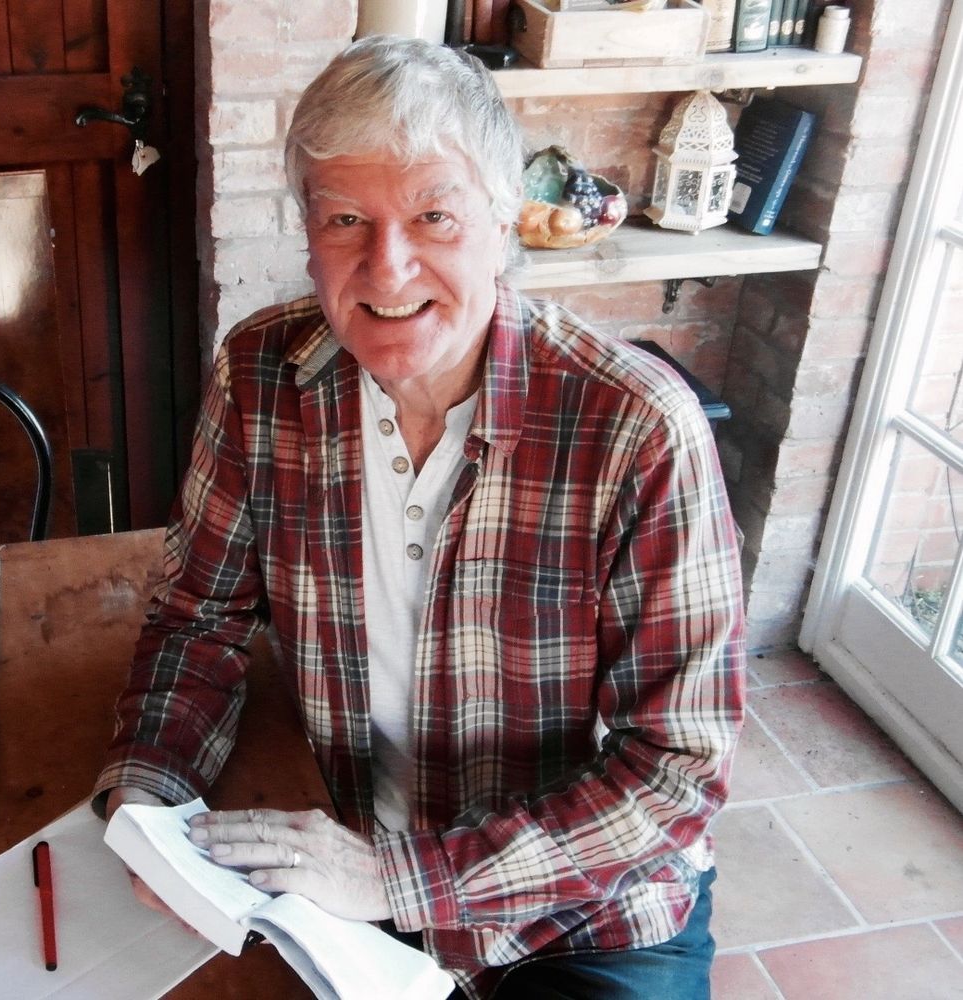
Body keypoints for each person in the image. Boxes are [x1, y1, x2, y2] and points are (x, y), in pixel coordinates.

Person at [93, 35, 745, 1000]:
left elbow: (678, 775)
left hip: (579, 919)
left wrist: (398, 878)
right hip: (343, 872)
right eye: (346, 217)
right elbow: (200, 617)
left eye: (433, 216)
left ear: (502, 220)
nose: (387, 268)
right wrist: (147, 790)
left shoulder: (638, 427)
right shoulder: (264, 373)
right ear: (308, 234)